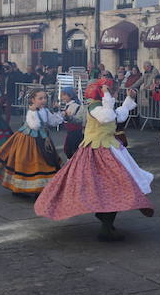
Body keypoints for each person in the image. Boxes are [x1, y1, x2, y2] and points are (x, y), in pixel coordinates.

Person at [35, 80, 153, 242]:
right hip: (98, 152)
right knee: (113, 186)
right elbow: (107, 116)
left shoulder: (103, 106)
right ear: (100, 92)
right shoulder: (95, 107)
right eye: (110, 90)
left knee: (115, 186)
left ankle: (106, 221)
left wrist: (128, 99)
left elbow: (118, 115)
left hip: (110, 149)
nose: (112, 93)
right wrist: (107, 96)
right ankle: (106, 227)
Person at [0, 88, 63, 195]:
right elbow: (34, 126)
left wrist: (59, 113)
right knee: (26, 162)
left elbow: (53, 122)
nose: (43, 100)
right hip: (28, 140)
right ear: (33, 100)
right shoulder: (31, 112)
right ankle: (22, 188)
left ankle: (40, 188)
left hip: (43, 139)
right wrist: (36, 113)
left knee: (45, 162)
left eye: (45, 98)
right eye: (40, 98)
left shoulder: (45, 111)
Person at [60, 87, 86, 158]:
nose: (62, 97)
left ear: (70, 95)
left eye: (64, 95)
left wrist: (68, 117)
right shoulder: (68, 105)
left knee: (73, 150)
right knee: (69, 149)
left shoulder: (76, 106)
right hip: (70, 131)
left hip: (76, 132)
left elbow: (79, 119)